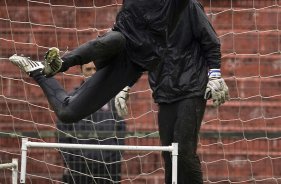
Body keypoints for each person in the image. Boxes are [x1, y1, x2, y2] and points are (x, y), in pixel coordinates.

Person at [8, 0, 191, 124]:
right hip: (116, 43)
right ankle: (59, 64)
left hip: (131, 63)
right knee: (116, 39)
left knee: (67, 113)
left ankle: (39, 71)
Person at [114, 0, 229, 184]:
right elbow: (141, 56)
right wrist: (125, 86)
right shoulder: (145, 14)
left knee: (183, 150)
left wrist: (214, 76)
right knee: (169, 154)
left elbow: (212, 42)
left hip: (191, 88)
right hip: (164, 91)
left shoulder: (189, 6)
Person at [57, 62, 126, 184]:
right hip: (78, 166)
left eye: (96, 69)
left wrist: (115, 157)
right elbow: (61, 131)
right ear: (81, 71)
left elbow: (121, 128)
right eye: (88, 69)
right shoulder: (70, 99)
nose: (93, 73)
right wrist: (71, 160)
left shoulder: (112, 97)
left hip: (108, 166)